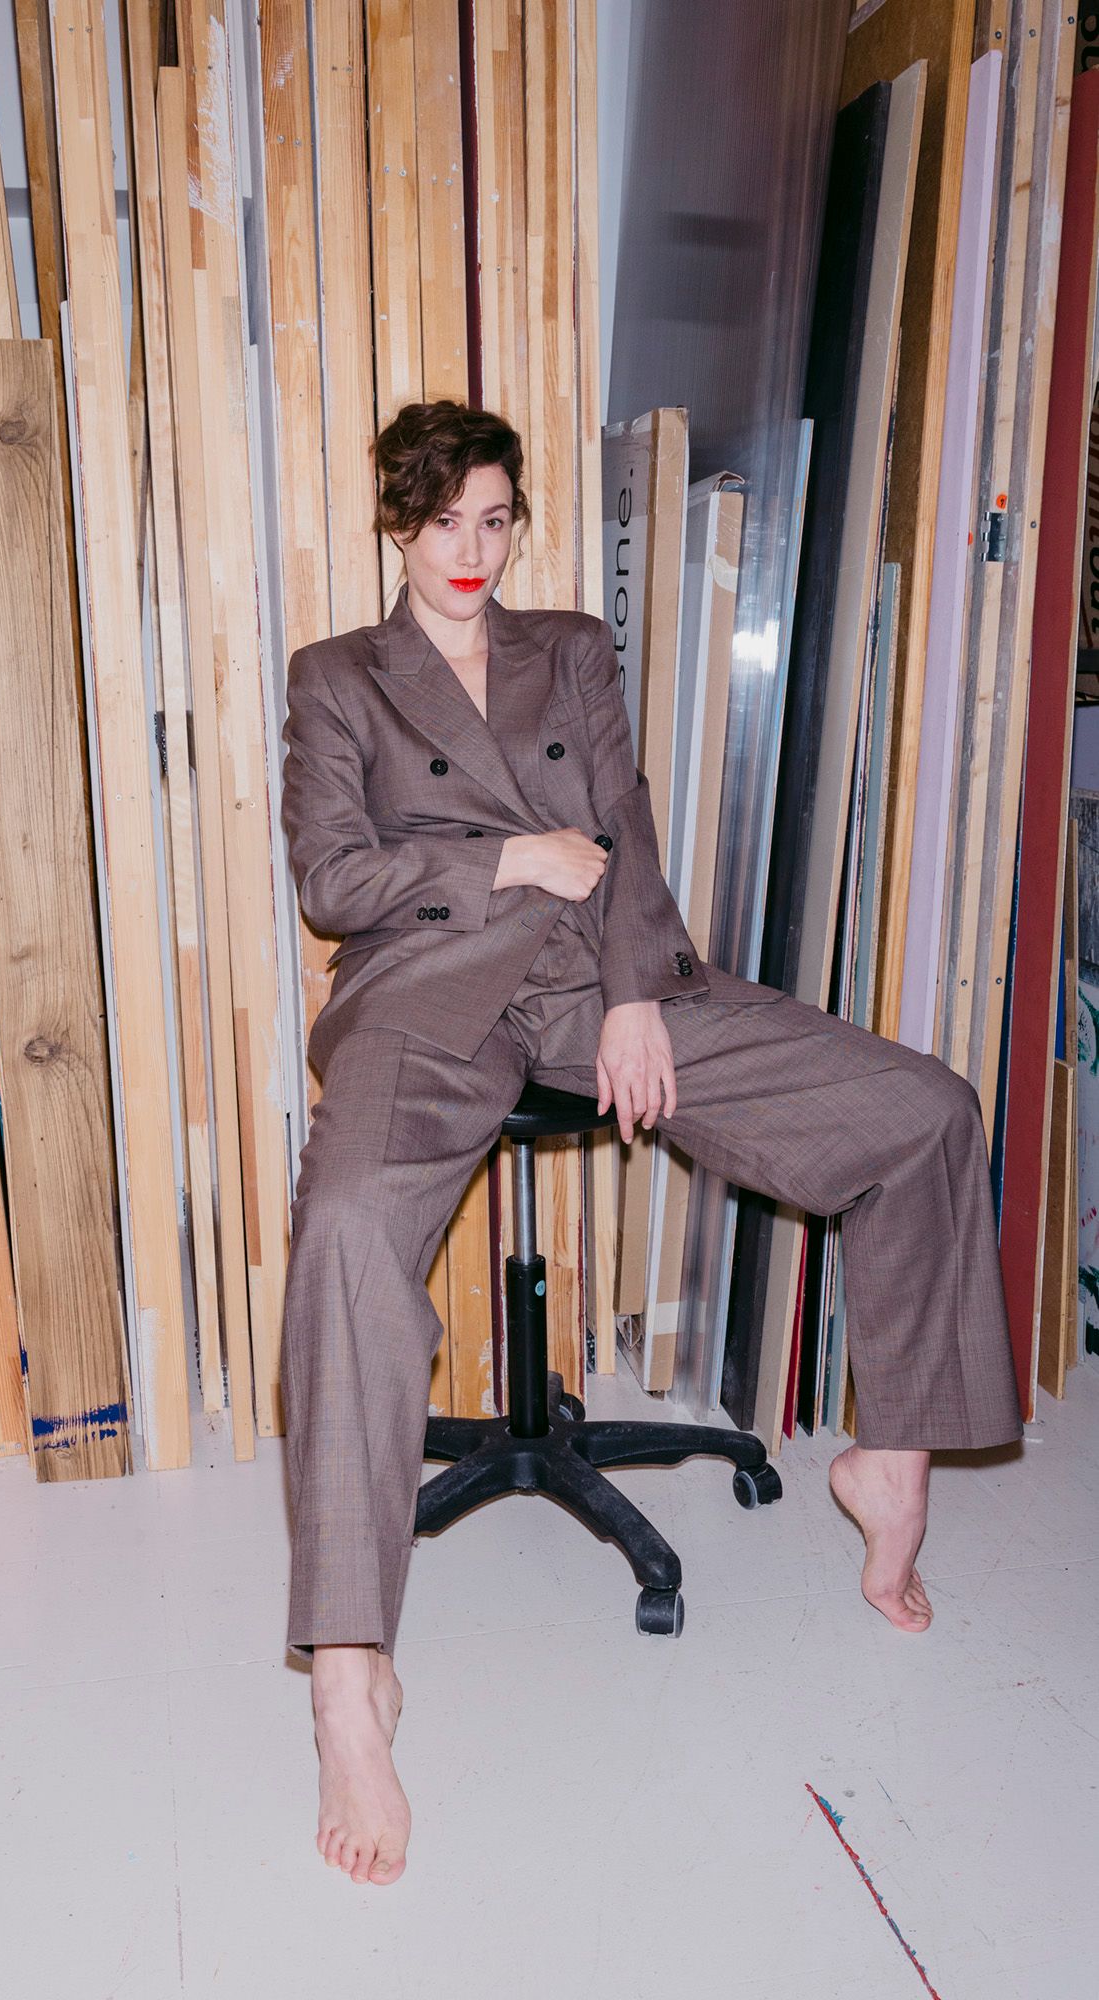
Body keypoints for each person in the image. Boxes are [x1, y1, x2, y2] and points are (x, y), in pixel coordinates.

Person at [277, 400, 1022, 1889]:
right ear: (396, 526)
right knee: (346, 1234)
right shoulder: (338, 676)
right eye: (443, 523)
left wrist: (630, 999)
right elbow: (333, 879)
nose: (472, 550)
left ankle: (890, 1458)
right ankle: (350, 1680)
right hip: (423, 998)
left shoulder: (573, 650)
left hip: (596, 985)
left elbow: (624, 831)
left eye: (496, 518)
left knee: (926, 1110)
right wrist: (507, 854)